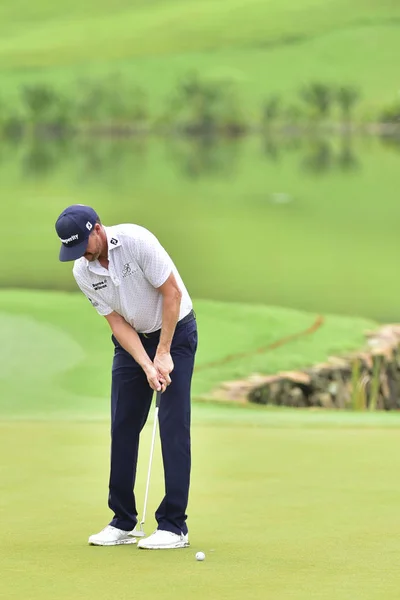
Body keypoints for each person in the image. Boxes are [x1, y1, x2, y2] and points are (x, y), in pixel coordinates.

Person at [55, 204, 198, 550]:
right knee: (122, 423)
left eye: (84, 245)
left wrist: (162, 353)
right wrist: (146, 364)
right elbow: (116, 322)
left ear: (98, 229)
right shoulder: (82, 271)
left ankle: (174, 526)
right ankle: (122, 520)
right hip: (132, 339)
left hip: (175, 331)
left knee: (172, 422)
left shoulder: (137, 242)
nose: (83, 255)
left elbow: (172, 294)